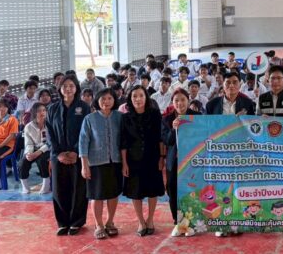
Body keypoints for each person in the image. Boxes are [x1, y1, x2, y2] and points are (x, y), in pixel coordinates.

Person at [46, 75, 90, 235]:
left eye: (71, 85)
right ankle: (62, 222)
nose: (68, 89)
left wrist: (76, 151)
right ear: (60, 89)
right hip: (58, 156)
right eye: (65, 86)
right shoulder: (52, 108)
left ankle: (76, 222)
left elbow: (86, 132)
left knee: (78, 188)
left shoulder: (83, 107)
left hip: (78, 155)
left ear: (76, 88)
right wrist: (58, 154)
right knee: (59, 189)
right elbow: (49, 133)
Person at [120, 85, 165, 236]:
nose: (138, 99)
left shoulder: (155, 114)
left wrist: (161, 157)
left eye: (141, 95)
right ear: (130, 99)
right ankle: (141, 221)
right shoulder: (125, 117)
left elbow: (160, 138)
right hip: (133, 160)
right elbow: (123, 143)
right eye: (134, 96)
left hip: (152, 158)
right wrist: (124, 163)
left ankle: (150, 219)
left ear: (146, 97)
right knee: (136, 192)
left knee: (153, 190)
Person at [79, 88, 123, 240]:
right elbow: (83, 142)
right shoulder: (89, 119)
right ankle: (98, 225)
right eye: (103, 99)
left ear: (114, 100)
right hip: (96, 163)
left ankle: (110, 222)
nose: (106, 101)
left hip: (115, 161)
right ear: (97, 101)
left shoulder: (119, 117)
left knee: (113, 194)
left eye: (110, 98)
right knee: (96, 195)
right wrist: (84, 164)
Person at [161, 89, 201, 236]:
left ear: (188, 101)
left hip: (192, 162)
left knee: (192, 190)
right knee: (173, 190)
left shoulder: (197, 116)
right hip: (174, 161)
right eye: (176, 100)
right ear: (172, 102)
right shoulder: (167, 119)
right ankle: (177, 222)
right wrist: (173, 129)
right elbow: (167, 141)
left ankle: (192, 222)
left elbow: (202, 136)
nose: (180, 103)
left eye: (183, 99)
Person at [19, 102, 51, 194]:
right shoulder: (28, 126)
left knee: (42, 161)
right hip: (33, 149)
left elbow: (51, 142)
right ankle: (25, 186)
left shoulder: (50, 124)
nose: (42, 113)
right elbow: (28, 143)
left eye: (44, 110)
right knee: (22, 162)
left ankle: (46, 184)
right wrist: (29, 153)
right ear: (34, 113)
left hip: (47, 149)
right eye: (39, 111)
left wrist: (39, 152)